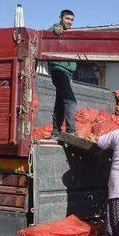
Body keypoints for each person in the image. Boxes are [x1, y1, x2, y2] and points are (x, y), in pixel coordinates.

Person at [48, 9, 77, 139]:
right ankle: (71, 132)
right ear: (60, 18)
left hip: (67, 73)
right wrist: (57, 27)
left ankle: (55, 132)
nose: (69, 22)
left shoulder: (71, 35)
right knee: (70, 101)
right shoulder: (57, 30)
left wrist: (71, 76)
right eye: (67, 19)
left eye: (71, 20)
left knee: (60, 103)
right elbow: (49, 33)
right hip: (59, 70)